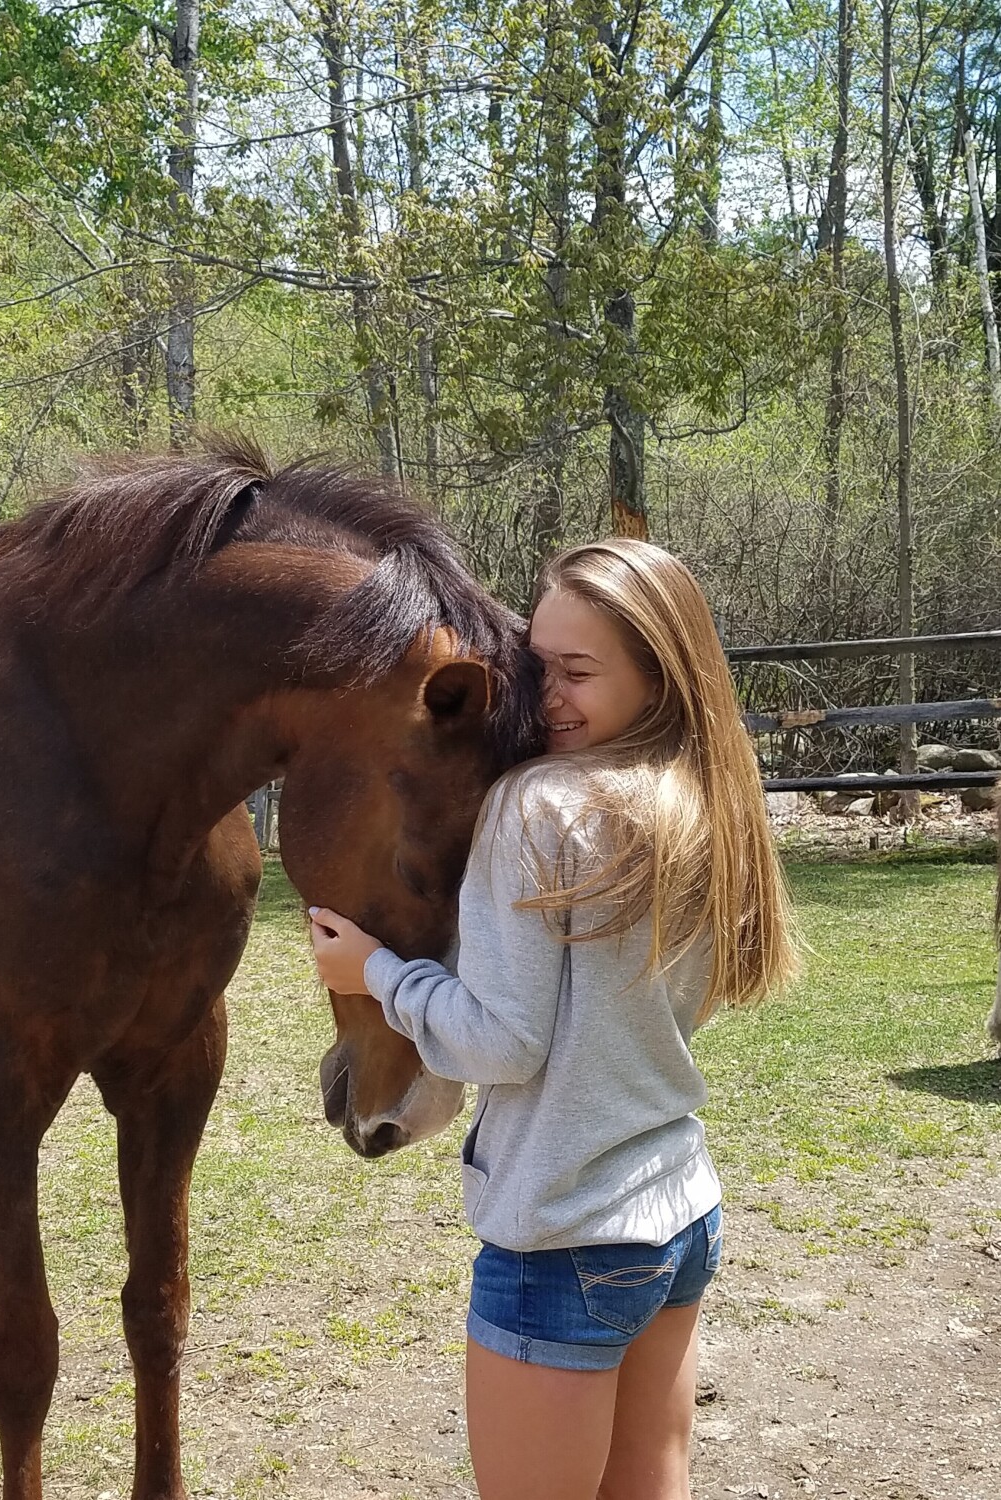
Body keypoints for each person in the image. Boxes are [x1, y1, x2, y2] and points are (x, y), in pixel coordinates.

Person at [309, 538, 796, 1500]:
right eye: (535, 666)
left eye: (578, 673)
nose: (548, 698)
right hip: (678, 1209)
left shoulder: (537, 808)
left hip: (567, 1236)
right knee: (652, 1480)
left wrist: (375, 973)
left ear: (660, 679)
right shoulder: (701, 800)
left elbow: (501, 1042)